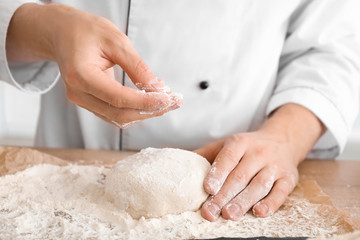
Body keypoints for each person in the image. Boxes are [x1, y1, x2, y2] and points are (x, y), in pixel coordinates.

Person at [1, 0, 359, 222]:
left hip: (236, 174)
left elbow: (334, 45)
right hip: (69, 166)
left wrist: (286, 136)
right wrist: (46, 27)